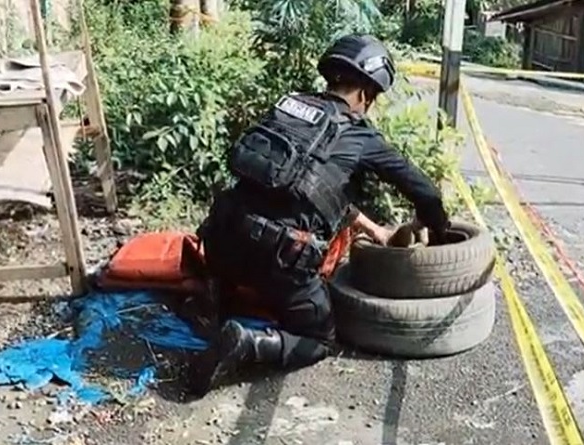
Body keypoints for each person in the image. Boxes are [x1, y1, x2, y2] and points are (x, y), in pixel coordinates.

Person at [188, 34, 450, 396]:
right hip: (277, 259)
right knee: (319, 338)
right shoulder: (359, 136)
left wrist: (375, 230)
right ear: (365, 93)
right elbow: (424, 191)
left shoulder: (289, 107)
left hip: (222, 237)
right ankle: (247, 343)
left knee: (247, 236)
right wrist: (438, 228)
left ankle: (217, 291)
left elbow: (313, 188)